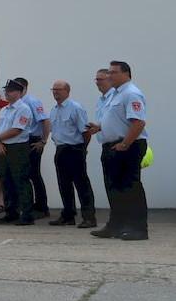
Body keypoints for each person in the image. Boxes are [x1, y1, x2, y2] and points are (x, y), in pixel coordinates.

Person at [87, 61, 149, 241]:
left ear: (126, 74)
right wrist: (99, 127)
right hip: (112, 145)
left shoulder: (131, 93)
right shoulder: (114, 94)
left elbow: (138, 123)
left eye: (113, 72)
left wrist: (125, 144)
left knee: (131, 187)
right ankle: (115, 225)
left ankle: (138, 228)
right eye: (108, 73)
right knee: (114, 188)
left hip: (128, 146)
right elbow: (117, 119)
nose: (109, 76)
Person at [48, 80, 94, 228]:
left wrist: (82, 149)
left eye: (59, 90)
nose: (56, 92)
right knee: (64, 185)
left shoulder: (75, 108)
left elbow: (86, 132)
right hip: (60, 149)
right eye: (53, 90)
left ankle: (89, 217)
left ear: (67, 91)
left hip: (74, 149)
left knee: (81, 185)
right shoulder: (54, 110)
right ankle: (68, 215)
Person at [0, 79, 36, 226]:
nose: (7, 94)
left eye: (10, 91)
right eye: (6, 91)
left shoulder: (23, 109)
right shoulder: (4, 110)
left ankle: (27, 214)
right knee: (6, 180)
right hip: (3, 147)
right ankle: (11, 212)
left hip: (18, 147)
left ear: (18, 92)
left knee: (21, 180)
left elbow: (17, 129)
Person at [14, 77, 53, 218]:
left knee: (34, 174)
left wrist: (43, 141)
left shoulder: (32, 101)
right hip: (22, 141)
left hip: (33, 140)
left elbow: (45, 121)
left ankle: (42, 206)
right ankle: (30, 205)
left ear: (24, 88)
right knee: (26, 174)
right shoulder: (18, 104)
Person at [85, 68, 116, 228]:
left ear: (110, 80)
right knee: (110, 185)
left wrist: (100, 126)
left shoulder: (115, 98)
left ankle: (121, 221)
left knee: (119, 186)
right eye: (96, 79)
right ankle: (115, 221)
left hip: (118, 144)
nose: (97, 82)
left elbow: (115, 122)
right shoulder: (101, 100)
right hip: (106, 145)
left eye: (101, 79)